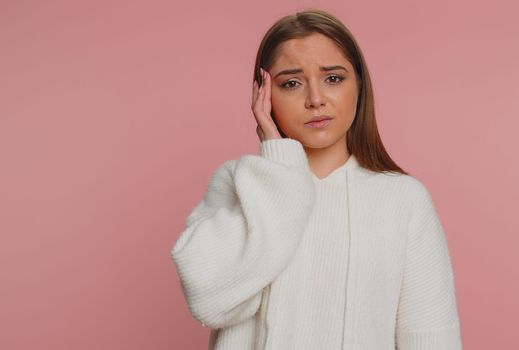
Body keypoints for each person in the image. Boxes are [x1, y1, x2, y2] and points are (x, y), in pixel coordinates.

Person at [170, 9, 462, 350]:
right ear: (263, 95)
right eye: (291, 83)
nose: (316, 99)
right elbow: (212, 301)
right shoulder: (238, 185)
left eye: (333, 78)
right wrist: (277, 161)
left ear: (360, 86)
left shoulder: (404, 200)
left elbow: (431, 339)